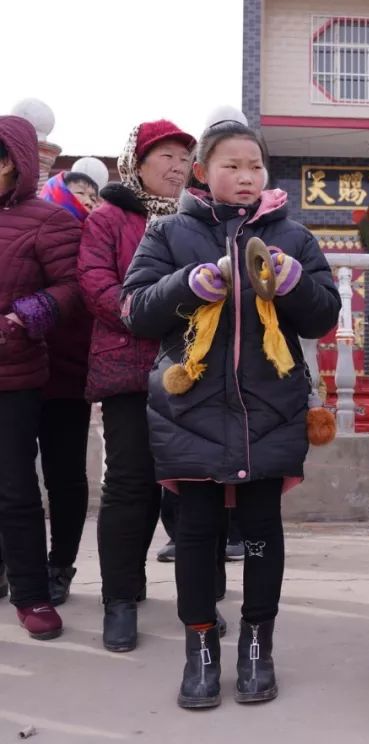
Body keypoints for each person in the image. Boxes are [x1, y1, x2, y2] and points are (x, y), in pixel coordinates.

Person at [121, 120, 340, 708]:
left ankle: (256, 647)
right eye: (230, 166)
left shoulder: (293, 236)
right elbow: (136, 311)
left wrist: (293, 284)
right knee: (195, 534)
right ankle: (200, 648)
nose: (245, 177)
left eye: (255, 167)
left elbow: (322, 319)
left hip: (269, 408)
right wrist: (186, 285)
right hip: (188, 408)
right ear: (202, 171)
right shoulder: (168, 231)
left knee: (263, 532)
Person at [79, 119, 198, 652]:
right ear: (137, 161)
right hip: (128, 368)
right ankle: (119, 600)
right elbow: (95, 282)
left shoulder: (199, 214)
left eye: (184, 158)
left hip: (191, 369)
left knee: (194, 484)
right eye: (166, 156)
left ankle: (200, 598)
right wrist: (144, 315)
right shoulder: (108, 218)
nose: (177, 167)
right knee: (130, 484)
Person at [0, 115, 83, 639]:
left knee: (14, 487)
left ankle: (30, 593)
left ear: (15, 163)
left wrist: (25, 316)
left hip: (15, 371)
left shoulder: (49, 221)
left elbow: (73, 287)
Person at [37, 171, 99, 605]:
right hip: (16, 373)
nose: (88, 201)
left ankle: (60, 564)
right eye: (80, 192)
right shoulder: (24, 227)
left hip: (68, 377)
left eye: (93, 195)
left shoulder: (92, 240)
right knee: (13, 478)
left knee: (65, 478)